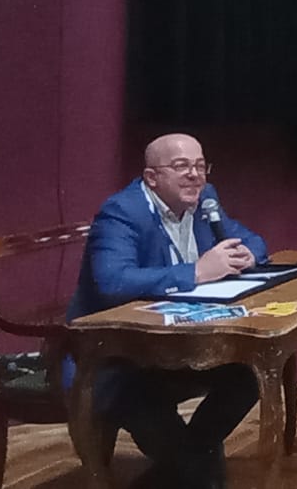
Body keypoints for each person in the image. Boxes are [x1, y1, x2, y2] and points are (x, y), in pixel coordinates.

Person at [67, 133, 265, 488]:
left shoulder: (205, 200)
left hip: (175, 346)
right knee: (160, 423)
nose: (194, 175)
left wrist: (250, 254)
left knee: (247, 375)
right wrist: (196, 272)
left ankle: (171, 474)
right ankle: (193, 471)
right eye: (181, 166)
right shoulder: (122, 212)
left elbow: (250, 239)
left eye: (200, 165)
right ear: (152, 177)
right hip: (114, 358)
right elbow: (113, 281)